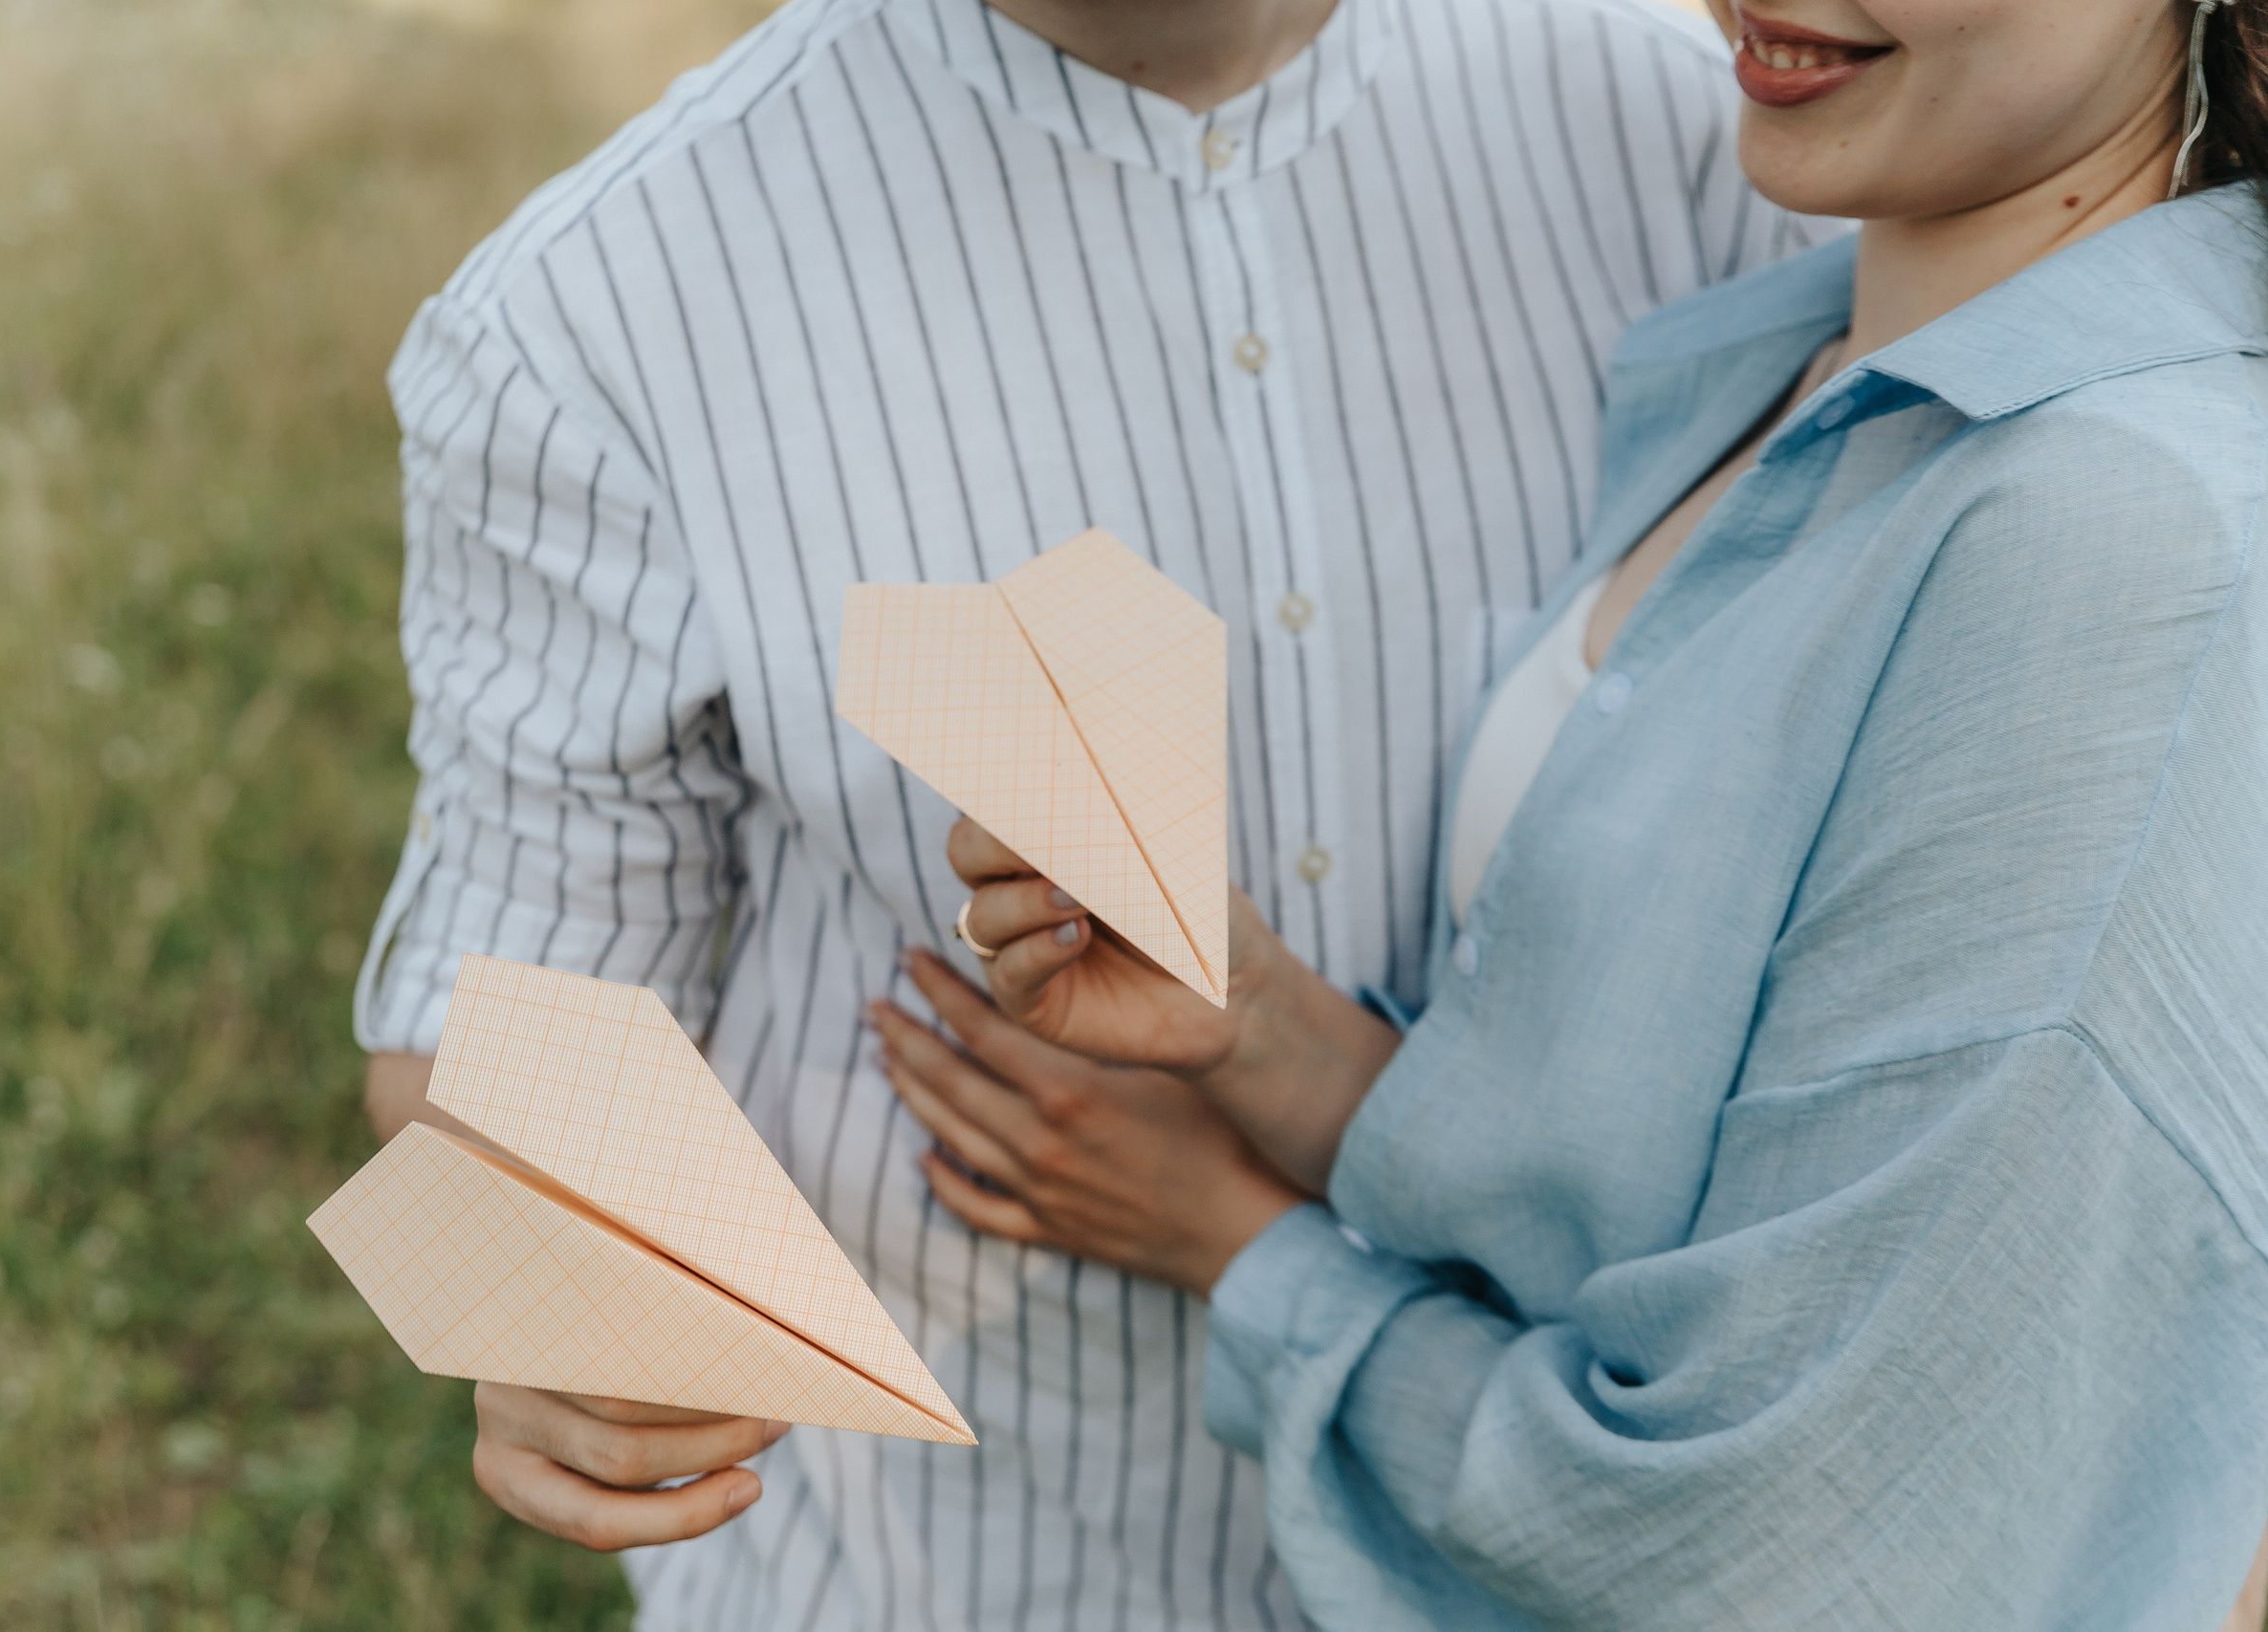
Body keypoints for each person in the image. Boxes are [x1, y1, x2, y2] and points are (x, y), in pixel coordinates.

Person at [351, 0, 1830, 1624]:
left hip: (1545, 1554)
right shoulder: (597, 310)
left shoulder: (1714, 146)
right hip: (957, 1562)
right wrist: (559, 1300)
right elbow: (504, 1015)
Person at [880, 0, 2268, 1624]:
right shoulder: (1799, 379)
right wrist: (1258, 1023)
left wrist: (1244, 1251)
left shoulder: (2121, 546)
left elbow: (1802, 1546)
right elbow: (1646, 1193)